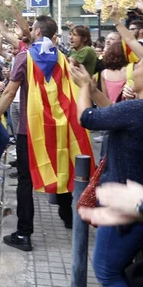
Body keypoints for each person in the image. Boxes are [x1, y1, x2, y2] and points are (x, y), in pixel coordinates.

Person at [0, 16, 92, 252]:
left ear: (36, 31)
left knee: (25, 180)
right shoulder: (63, 58)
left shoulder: (24, 57)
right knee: (63, 169)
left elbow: (9, 93)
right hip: (60, 127)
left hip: (30, 130)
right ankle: (68, 218)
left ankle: (24, 233)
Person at [71, 62, 143, 286]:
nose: (133, 68)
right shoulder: (134, 110)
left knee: (106, 270)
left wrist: (83, 87)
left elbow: (88, 118)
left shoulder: (136, 110)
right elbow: (114, 114)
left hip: (127, 207)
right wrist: (92, 90)